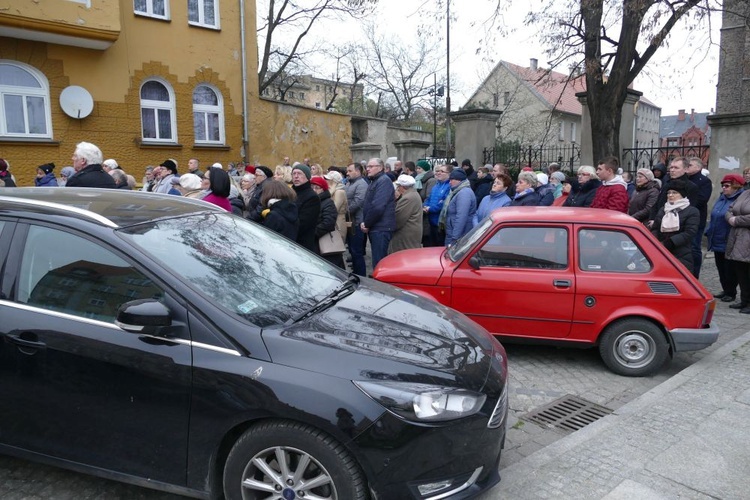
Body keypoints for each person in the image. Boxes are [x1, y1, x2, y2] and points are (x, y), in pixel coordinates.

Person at [706, 174, 745, 302]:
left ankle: (731, 292)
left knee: (730, 269)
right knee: (720, 267)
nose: (724, 188)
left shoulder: (740, 199)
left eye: (727, 185)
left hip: (729, 239)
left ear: (736, 186)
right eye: (723, 185)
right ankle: (726, 289)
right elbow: (715, 215)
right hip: (716, 237)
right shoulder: (722, 198)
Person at [651, 180, 700, 273]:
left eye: (674, 192)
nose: (670, 195)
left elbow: (690, 232)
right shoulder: (663, 209)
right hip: (661, 250)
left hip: (681, 252)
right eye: (668, 193)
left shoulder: (692, 211)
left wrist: (670, 242)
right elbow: (655, 228)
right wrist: (655, 241)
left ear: (682, 194)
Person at [361, 158, 396, 271]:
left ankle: (380, 287)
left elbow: (377, 207)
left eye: (371, 166)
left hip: (381, 228)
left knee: (379, 263)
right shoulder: (375, 180)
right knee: (377, 261)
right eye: (367, 166)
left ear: (380, 167)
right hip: (376, 226)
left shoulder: (383, 181)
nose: (367, 169)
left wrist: (366, 223)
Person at [725, 183, 750, 313]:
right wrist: (730, 218)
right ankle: (744, 300)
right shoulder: (745, 194)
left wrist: (736, 220)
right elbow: (730, 209)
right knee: (741, 272)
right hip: (738, 238)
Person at [311, 176, 346, 268]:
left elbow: (328, 223)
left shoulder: (327, 202)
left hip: (324, 242)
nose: (314, 190)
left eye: (317, 188)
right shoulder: (313, 201)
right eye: (312, 187)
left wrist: (312, 233)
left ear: (323, 189)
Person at [687, 157, 713, 278]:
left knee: (694, 247)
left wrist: (684, 204)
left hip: (696, 219)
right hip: (683, 219)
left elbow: (701, 199)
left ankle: (695, 274)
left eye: (690, 165)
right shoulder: (685, 179)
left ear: (698, 167)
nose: (688, 166)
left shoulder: (704, 181)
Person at [441, 169, 477, 246]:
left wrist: (455, 237)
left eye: (451, 180)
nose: (449, 182)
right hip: (453, 232)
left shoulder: (464, 193)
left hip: (459, 236)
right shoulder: (457, 191)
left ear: (459, 180)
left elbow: (461, 217)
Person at [345, 162, 369, 276]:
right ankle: (355, 272)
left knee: (356, 251)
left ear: (358, 171)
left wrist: (345, 211)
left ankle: (361, 275)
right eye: (347, 171)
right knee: (352, 250)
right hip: (350, 221)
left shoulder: (361, 184)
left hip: (357, 222)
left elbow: (358, 202)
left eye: (350, 171)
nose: (347, 173)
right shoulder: (350, 183)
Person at [292, 164, 321, 253]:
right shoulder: (289, 193)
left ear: (307, 177)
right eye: (294, 174)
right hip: (289, 240)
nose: (296, 176)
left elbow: (303, 224)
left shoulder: (312, 197)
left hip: (302, 244)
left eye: (299, 173)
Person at [390, 174, 423, 253]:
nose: (397, 188)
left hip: (406, 234)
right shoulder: (413, 194)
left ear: (402, 186)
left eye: (398, 186)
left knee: (404, 255)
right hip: (411, 232)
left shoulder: (408, 198)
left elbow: (399, 219)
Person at [423, 164, 452, 246]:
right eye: (438, 171)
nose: (438, 173)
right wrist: (425, 206)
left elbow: (443, 203)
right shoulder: (436, 185)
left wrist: (430, 209)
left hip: (440, 223)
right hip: (431, 221)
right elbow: (429, 198)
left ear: (449, 174)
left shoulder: (449, 186)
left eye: (442, 171)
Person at [324, 170, 349, 246]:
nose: (326, 181)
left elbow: (334, 208)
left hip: (338, 222)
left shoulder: (339, 191)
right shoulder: (332, 190)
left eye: (328, 179)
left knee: (337, 245)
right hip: (333, 220)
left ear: (334, 181)